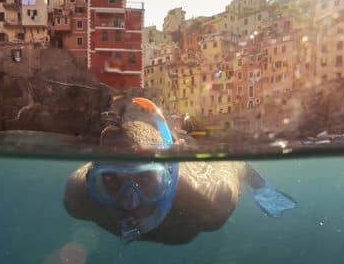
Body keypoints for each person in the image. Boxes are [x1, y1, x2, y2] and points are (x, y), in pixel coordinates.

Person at [63, 97, 296, 245]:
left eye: (146, 178)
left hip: (187, 151)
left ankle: (261, 187)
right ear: (94, 178)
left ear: (170, 174)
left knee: (232, 163)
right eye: (110, 180)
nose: (130, 202)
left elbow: (232, 165)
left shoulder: (212, 203)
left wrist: (251, 179)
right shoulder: (78, 197)